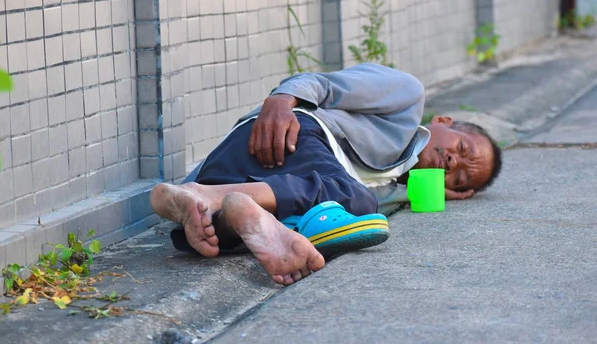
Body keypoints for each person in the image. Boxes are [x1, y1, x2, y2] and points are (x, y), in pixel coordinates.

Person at [150, 63, 502, 286]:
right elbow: (323, 84)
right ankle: (211, 198)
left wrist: (419, 192)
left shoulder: (397, 184)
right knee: (359, 203)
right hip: (288, 133)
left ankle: (211, 206)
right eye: (462, 149)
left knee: (229, 232)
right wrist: (282, 99)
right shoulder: (408, 98)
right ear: (443, 122)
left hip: (232, 175)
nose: (453, 163)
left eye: (458, 178)